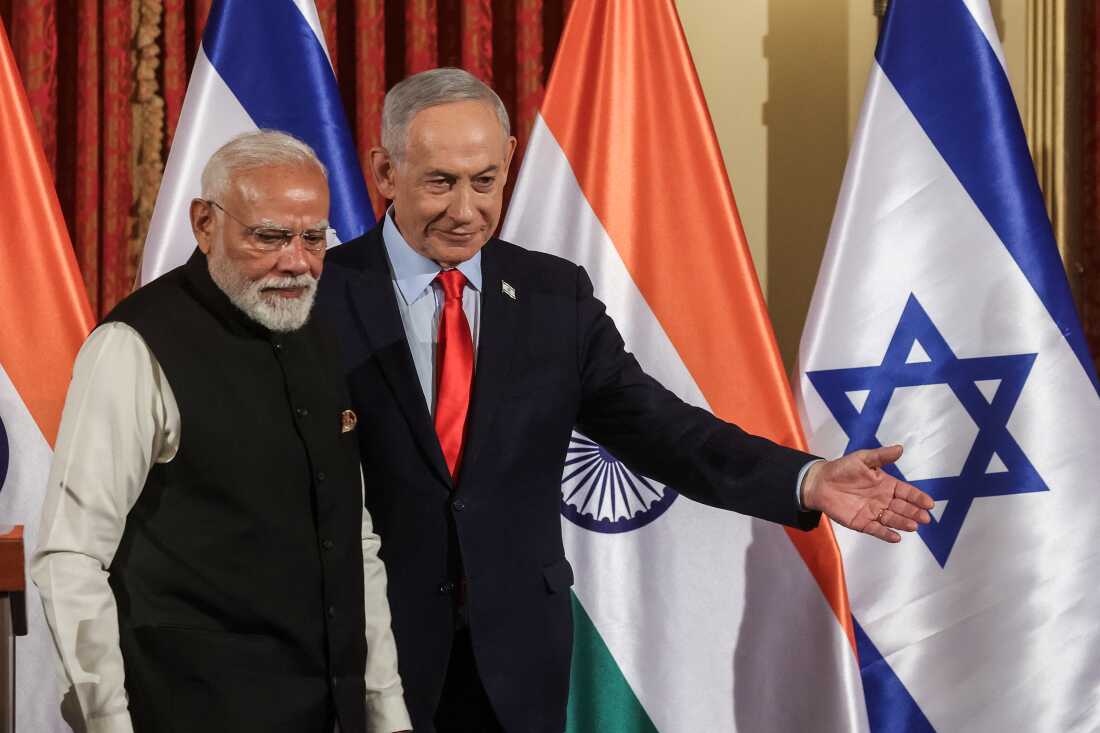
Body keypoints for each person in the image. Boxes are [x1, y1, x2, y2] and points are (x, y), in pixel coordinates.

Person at [317, 68, 934, 733]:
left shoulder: (555, 297)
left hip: (516, 658)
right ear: (384, 171)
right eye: (440, 182)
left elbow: (664, 429)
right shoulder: (320, 299)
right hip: (365, 648)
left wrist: (805, 477)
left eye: (485, 180)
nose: (466, 209)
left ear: (509, 162)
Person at [32, 132, 412, 733]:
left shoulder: (316, 329)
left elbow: (353, 538)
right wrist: (105, 722)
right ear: (205, 224)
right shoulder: (132, 346)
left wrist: (386, 710)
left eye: (313, 238)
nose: (296, 261)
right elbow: (71, 555)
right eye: (269, 237)